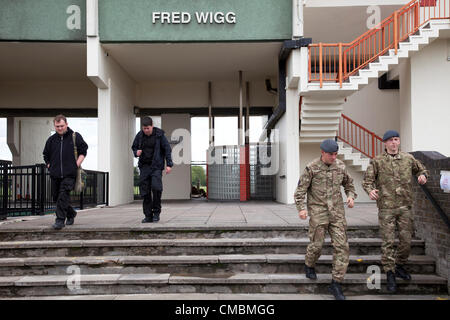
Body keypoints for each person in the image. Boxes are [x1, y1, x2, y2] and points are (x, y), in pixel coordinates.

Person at [362, 130, 428, 293]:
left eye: (396, 139)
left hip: (405, 207)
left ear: (399, 142)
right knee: (388, 242)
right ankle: (390, 273)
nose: (393, 142)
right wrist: (370, 191)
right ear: (385, 143)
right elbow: (367, 181)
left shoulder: (408, 159)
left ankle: (400, 265)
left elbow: (422, 170)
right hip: (386, 208)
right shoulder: (377, 161)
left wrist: (422, 176)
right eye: (390, 140)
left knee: (406, 240)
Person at [294, 139, 356, 300]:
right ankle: (309, 264)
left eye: (336, 154)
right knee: (317, 245)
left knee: (342, 247)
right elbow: (300, 191)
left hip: (337, 214)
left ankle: (336, 283)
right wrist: (301, 208)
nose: (334, 157)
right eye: (331, 154)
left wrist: (350, 196)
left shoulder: (341, 166)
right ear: (322, 152)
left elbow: (349, 185)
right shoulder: (311, 168)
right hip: (318, 212)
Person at [43, 115, 88, 230]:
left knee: (63, 194)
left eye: (62, 126)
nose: (60, 128)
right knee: (56, 197)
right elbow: (46, 155)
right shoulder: (51, 140)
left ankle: (59, 220)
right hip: (55, 174)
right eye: (57, 126)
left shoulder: (75, 137)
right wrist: (49, 165)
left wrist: (76, 165)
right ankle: (71, 213)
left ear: (66, 124)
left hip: (70, 173)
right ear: (55, 126)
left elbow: (83, 151)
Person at [132, 116, 173, 223]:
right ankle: (148, 215)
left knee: (156, 188)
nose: (146, 131)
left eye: (148, 128)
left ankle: (156, 212)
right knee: (145, 192)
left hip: (156, 166)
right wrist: (136, 152)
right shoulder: (140, 135)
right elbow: (134, 147)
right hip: (144, 167)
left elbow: (167, 149)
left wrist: (169, 164)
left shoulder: (160, 135)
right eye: (144, 129)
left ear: (152, 126)